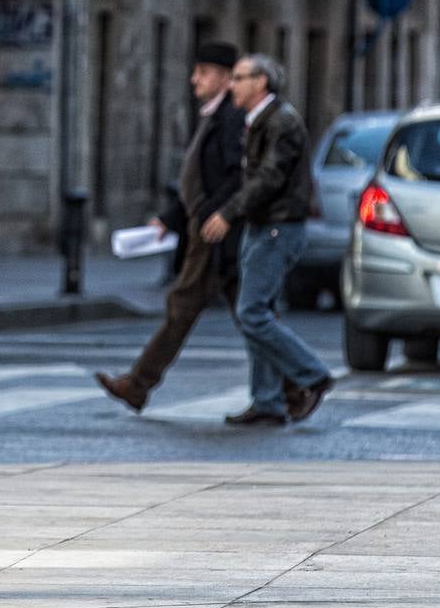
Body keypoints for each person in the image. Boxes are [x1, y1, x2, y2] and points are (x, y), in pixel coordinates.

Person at [96, 42, 247, 412]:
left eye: (204, 72)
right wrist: (170, 219)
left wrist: (213, 215)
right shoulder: (215, 115)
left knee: (197, 310)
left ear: (227, 78)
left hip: (213, 234)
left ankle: (138, 383)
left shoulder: (230, 120)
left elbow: (234, 177)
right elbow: (200, 181)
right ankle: (296, 384)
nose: (195, 79)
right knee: (247, 314)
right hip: (207, 229)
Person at [202, 54, 334, 426]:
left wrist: (228, 213)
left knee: (252, 312)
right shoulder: (259, 121)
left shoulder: (282, 122)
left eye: (240, 78)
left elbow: (270, 178)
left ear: (261, 83)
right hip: (262, 226)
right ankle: (268, 400)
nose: (232, 85)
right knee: (260, 310)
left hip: (278, 227)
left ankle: (312, 374)